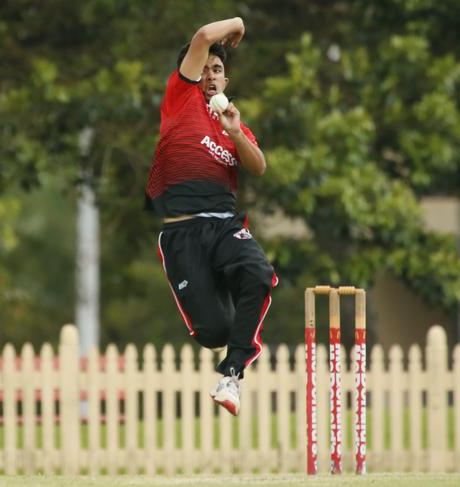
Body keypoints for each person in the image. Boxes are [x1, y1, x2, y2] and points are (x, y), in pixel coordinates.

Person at [145, 17, 277, 416]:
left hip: (223, 224)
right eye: (203, 69)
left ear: (226, 80)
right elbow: (203, 36)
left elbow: (259, 166)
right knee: (214, 332)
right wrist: (237, 23)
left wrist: (235, 133)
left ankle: (232, 374)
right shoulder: (179, 101)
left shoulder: (232, 126)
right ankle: (228, 327)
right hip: (183, 234)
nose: (209, 76)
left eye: (217, 70)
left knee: (259, 274)